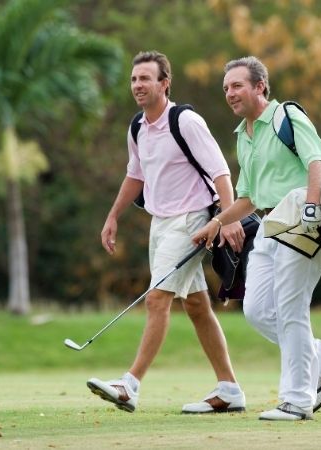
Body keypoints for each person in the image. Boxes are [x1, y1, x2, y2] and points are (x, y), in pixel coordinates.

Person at [87, 51, 247, 415]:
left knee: (157, 299)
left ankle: (130, 385)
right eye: (134, 79)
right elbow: (135, 174)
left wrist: (227, 217)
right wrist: (113, 216)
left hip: (192, 221)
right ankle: (230, 388)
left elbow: (221, 172)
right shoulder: (137, 127)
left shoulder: (186, 120)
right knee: (196, 305)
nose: (138, 85)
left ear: (164, 83)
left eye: (145, 78)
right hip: (160, 224)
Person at [198, 56, 321, 421]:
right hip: (268, 225)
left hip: (301, 216)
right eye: (226, 88)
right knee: (258, 310)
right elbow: (248, 197)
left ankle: (297, 401)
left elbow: (317, 161)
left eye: (237, 86)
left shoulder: (287, 116)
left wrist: (313, 207)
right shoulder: (243, 137)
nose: (230, 94)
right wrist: (217, 222)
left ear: (260, 86)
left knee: (291, 306)